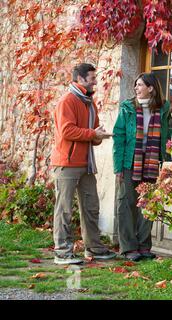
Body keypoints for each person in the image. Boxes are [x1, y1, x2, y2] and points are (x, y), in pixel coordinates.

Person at [50, 63, 117, 265]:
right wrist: (92, 134)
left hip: (86, 163)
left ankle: (94, 248)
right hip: (67, 163)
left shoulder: (89, 102)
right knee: (64, 209)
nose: (95, 81)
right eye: (91, 78)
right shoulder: (67, 101)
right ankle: (62, 252)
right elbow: (67, 131)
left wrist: (99, 136)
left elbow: (92, 131)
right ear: (80, 79)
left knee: (91, 206)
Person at [113, 73, 172, 261]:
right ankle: (129, 247)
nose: (136, 89)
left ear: (151, 88)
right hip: (130, 161)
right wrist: (118, 167)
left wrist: (167, 159)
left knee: (148, 204)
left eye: (140, 85)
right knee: (127, 203)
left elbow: (166, 134)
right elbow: (119, 137)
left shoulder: (163, 109)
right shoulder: (127, 108)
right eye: (136, 85)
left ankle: (144, 246)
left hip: (152, 161)